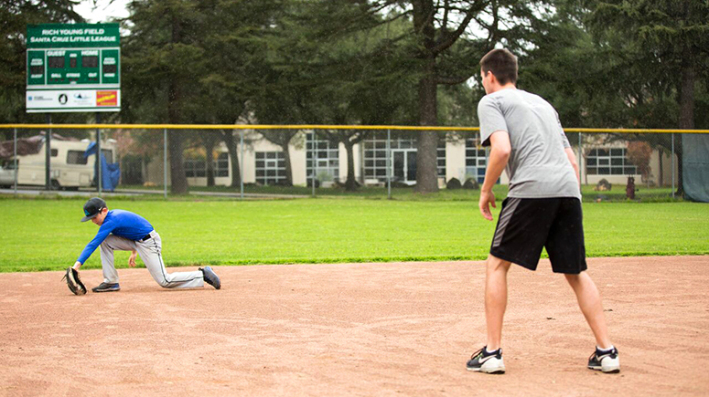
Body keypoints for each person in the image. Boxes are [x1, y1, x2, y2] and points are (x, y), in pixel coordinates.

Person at [466, 48, 619, 374]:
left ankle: (492, 353)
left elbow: (502, 149)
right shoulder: (544, 104)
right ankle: (607, 351)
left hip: (532, 190)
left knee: (496, 265)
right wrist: (566, 199)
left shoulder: (492, 102)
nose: (483, 83)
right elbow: (571, 160)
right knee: (576, 271)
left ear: (490, 76)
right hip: (568, 191)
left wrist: (486, 189)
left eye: (482, 77)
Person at [72, 197, 221, 292]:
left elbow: (93, 243)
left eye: (94, 217)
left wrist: (76, 266)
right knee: (106, 241)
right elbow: (131, 229)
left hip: (150, 242)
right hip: (138, 241)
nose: (93, 221)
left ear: (104, 210)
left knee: (165, 281)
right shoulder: (112, 218)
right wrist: (133, 251)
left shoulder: (111, 220)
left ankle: (202, 274)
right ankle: (111, 281)